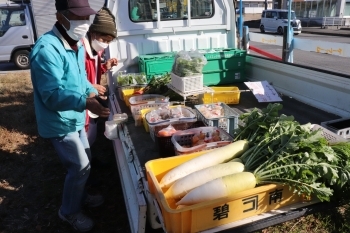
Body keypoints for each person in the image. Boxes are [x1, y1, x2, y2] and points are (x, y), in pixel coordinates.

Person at [29, 0, 110, 232]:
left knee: (85, 159)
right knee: (80, 167)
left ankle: (79, 196)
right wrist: (86, 102)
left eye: (86, 18)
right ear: (60, 16)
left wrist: (92, 91)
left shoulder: (77, 44)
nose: (84, 23)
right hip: (58, 120)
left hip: (74, 116)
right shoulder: (47, 49)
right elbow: (52, 95)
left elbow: (78, 77)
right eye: (78, 17)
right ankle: (69, 211)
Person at [82, 7, 118, 147]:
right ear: (93, 33)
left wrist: (105, 66)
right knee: (85, 132)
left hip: (90, 95)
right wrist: (90, 86)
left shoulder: (96, 50)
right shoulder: (81, 51)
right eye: (104, 39)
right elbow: (75, 78)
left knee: (91, 131)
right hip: (83, 98)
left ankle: (89, 156)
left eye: (109, 41)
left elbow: (92, 71)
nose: (105, 44)